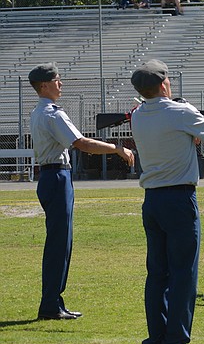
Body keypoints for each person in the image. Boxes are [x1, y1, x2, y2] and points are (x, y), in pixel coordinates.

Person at [129, 60, 204, 344]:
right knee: (183, 274)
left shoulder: (137, 115)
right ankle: (176, 342)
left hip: (152, 199)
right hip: (179, 198)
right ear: (164, 84)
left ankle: (156, 342)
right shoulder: (180, 111)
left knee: (157, 275)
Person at [29, 63, 135, 321]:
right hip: (57, 176)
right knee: (60, 244)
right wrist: (117, 148)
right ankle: (50, 304)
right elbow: (82, 143)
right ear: (44, 85)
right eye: (56, 80)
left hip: (51, 176)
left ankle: (53, 301)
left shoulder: (38, 111)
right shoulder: (53, 114)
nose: (60, 84)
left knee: (60, 242)